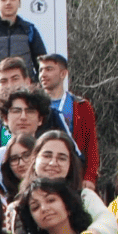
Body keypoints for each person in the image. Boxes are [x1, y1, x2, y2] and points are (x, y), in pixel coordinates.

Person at [36, 54, 97, 188]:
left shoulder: (81, 105)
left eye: (49, 69)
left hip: (73, 173)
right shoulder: (34, 106)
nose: (43, 74)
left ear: (63, 73)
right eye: (41, 70)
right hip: (42, 173)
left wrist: (90, 177)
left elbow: (91, 144)